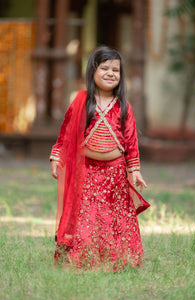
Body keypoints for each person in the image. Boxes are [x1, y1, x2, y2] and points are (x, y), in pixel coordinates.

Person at [50, 46, 150, 272]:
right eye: (104, 68)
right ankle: (81, 260)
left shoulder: (124, 106)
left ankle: (117, 260)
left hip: (115, 174)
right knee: (86, 217)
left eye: (116, 70)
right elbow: (66, 131)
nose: (111, 73)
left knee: (114, 219)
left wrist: (134, 170)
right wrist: (56, 155)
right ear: (92, 71)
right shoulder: (82, 102)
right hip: (86, 172)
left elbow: (131, 141)